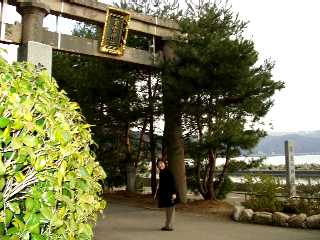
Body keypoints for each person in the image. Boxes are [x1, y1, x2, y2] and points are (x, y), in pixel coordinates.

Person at [156, 159, 178, 231]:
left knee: (171, 211)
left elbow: (173, 183)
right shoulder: (162, 173)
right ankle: (167, 225)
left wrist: (174, 193)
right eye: (159, 164)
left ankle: (169, 226)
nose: (160, 165)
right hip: (165, 195)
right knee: (168, 211)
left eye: (162, 163)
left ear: (165, 164)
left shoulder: (168, 172)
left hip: (171, 194)